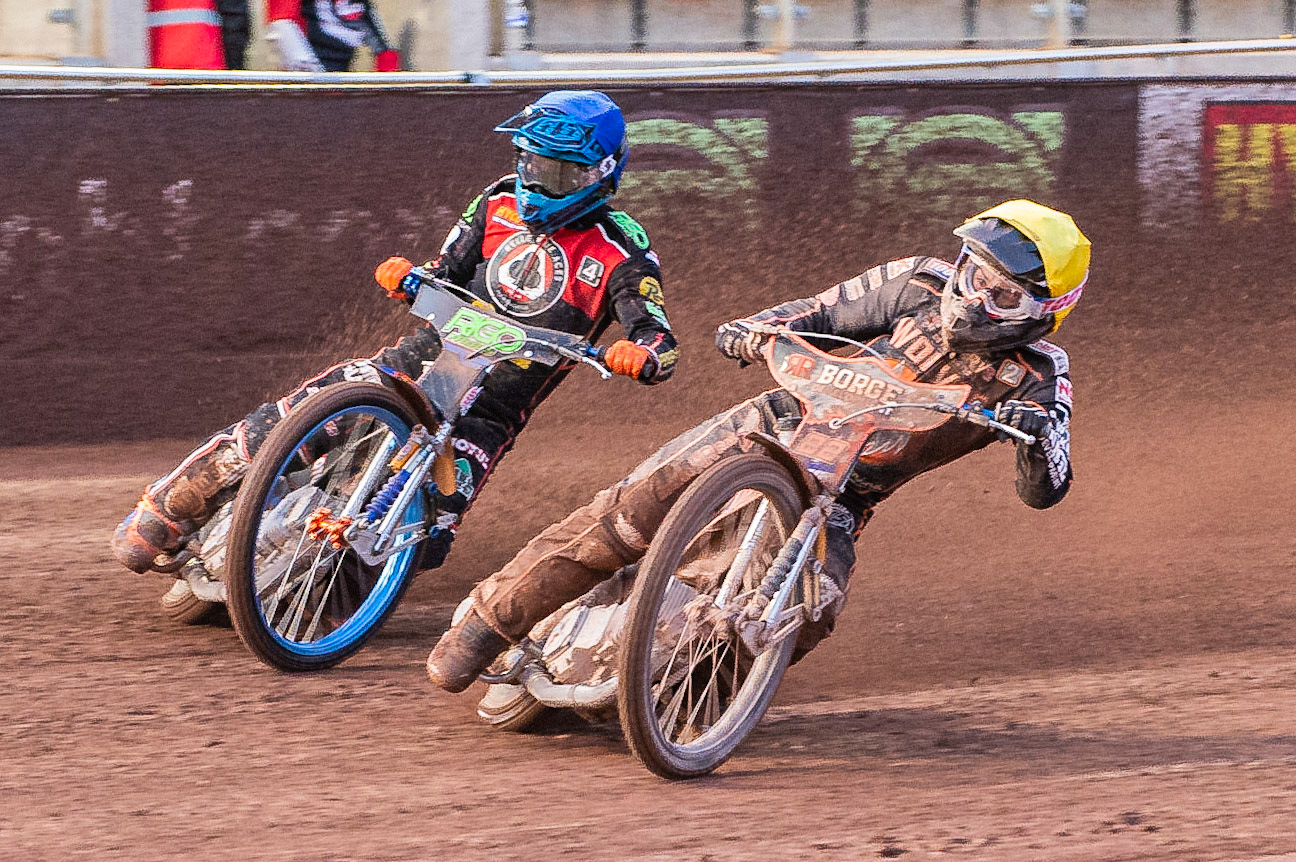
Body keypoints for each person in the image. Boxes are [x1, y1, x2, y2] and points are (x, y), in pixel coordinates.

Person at [426, 199, 1087, 692]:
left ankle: (686, 702)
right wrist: (753, 329)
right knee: (635, 509)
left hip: (844, 497)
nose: (972, 295)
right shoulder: (918, 280)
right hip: (773, 423)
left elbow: (1049, 487)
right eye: (973, 272)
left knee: (812, 612)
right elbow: (818, 311)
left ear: (1043, 310)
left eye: (1000, 293)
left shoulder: (1039, 378)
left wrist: (1034, 438)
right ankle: (487, 624)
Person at [111, 91, 678, 591]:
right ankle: (170, 507)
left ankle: (328, 597)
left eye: (555, 173)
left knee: (432, 529)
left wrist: (642, 354)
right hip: (422, 360)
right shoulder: (498, 202)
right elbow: (445, 271)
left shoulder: (623, 250)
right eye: (530, 162)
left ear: (598, 174)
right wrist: (410, 278)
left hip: (493, 407)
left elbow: (658, 337)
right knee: (302, 413)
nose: (536, 182)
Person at [265, 0, 400, 72]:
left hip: (338, 83)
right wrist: (313, 78)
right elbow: (281, 25)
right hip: (304, 83)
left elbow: (383, 50)